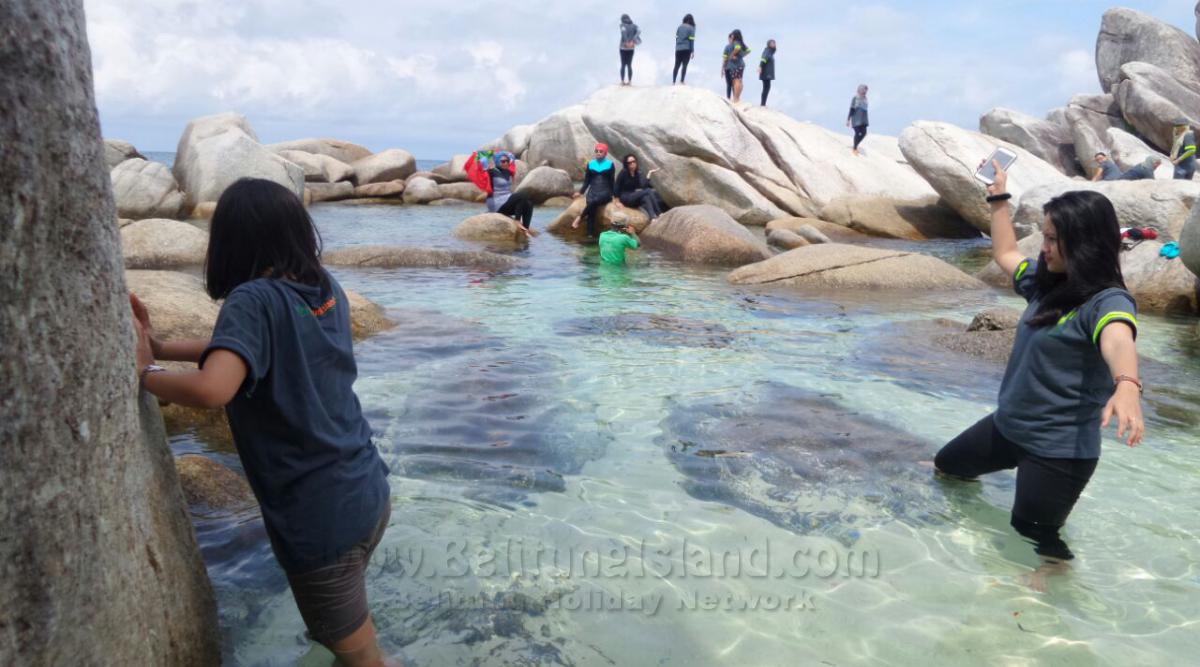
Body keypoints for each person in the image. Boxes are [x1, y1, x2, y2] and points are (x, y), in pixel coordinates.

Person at [130, 178, 397, 666]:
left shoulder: (251, 299)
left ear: (231, 241)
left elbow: (215, 388)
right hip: (366, 489)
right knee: (351, 637)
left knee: (365, 660)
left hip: (319, 514)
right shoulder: (322, 287)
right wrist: (164, 349)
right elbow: (246, 352)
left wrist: (144, 371)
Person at [934, 161, 1143, 589]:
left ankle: (1054, 577)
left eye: (1052, 239)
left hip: (1058, 451)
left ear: (1082, 243)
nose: (1043, 247)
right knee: (947, 468)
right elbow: (1007, 254)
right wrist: (997, 198)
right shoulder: (1047, 285)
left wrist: (1126, 384)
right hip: (1009, 428)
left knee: (1035, 535)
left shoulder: (1107, 302)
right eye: (1044, 237)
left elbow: (1118, 339)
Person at [464, 149, 535, 235]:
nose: (505, 163)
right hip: (497, 203)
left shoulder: (509, 172)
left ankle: (525, 228)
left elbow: (512, 157)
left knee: (529, 202)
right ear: (497, 161)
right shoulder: (491, 172)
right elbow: (481, 160)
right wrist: (489, 153)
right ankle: (517, 221)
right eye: (503, 161)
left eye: (507, 161)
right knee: (522, 195)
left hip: (507, 201)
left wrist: (505, 154)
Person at [572, 143, 620, 238]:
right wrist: (580, 192)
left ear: (605, 153)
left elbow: (612, 181)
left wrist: (616, 197)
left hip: (606, 192)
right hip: (593, 191)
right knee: (591, 210)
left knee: (594, 202)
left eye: (601, 151)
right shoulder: (591, 164)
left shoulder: (610, 164)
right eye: (596, 151)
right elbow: (587, 181)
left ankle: (579, 218)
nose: (598, 153)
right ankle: (590, 235)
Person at [615, 153, 665, 221]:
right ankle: (659, 213)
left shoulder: (637, 173)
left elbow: (643, 186)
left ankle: (652, 217)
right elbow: (617, 186)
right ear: (626, 164)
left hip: (633, 196)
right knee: (648, 191)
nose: (632, 164)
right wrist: (617, 201)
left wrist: (649, 173)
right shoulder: (623, 172)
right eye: (629, 162)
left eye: (634, 161)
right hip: (625, 197)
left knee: (646, 197)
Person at [721, 30, 751, 103]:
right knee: (738, 81)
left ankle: (736, 98)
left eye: (732, 36)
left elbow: (737, 48)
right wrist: (741, 55)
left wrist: (732, 55)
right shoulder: (739, 43)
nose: (731, 38)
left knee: (736, 81)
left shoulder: (736, 43)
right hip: (738, 65)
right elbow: (748, 50)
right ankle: (736, 98)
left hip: (735, 66)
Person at [673, 14, 696, 84]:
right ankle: (682, 81)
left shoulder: (679, 27)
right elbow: (691, 41)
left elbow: (676, 38)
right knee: (684, 65)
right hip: (687, 49)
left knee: (676, 65)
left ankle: (673, 81)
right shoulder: (691, 28)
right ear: (690, 20)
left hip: (678, 49)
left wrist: (677, 46)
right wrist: (692, 51)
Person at [619, 14, 641, 86]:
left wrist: (626, 42)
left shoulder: (622, 25)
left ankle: (622, 81)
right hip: (631, 47)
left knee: (623, 64)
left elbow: (623, 33)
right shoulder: (634, 26)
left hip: (623, 47)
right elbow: (639, 31)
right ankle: (630, 81)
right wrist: (633, 40)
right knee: (629, 65)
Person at [847, 84, 869, 155]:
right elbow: (852, 109)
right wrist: (848, 119)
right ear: (860, 89)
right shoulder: (855, 98)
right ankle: (855, 148)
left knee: (864, 133)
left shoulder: (865, 99)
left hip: (864, 119)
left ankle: (855, 145)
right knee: (857, 132)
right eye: (864, 89)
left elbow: (865, 109)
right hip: (856, 118)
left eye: (866, 90)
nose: (865, 91)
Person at [758, 39, 776, 106]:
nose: (774, 44)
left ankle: (763, 103)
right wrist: (760, 66)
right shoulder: (767, 51)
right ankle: (763, 104)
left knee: (766, 87)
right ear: (768, 44)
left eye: (774, 43)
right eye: (772, 43)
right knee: (766, 87)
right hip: (765, 72)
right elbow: (763, 59)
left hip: (767, 72)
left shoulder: (770, 52)